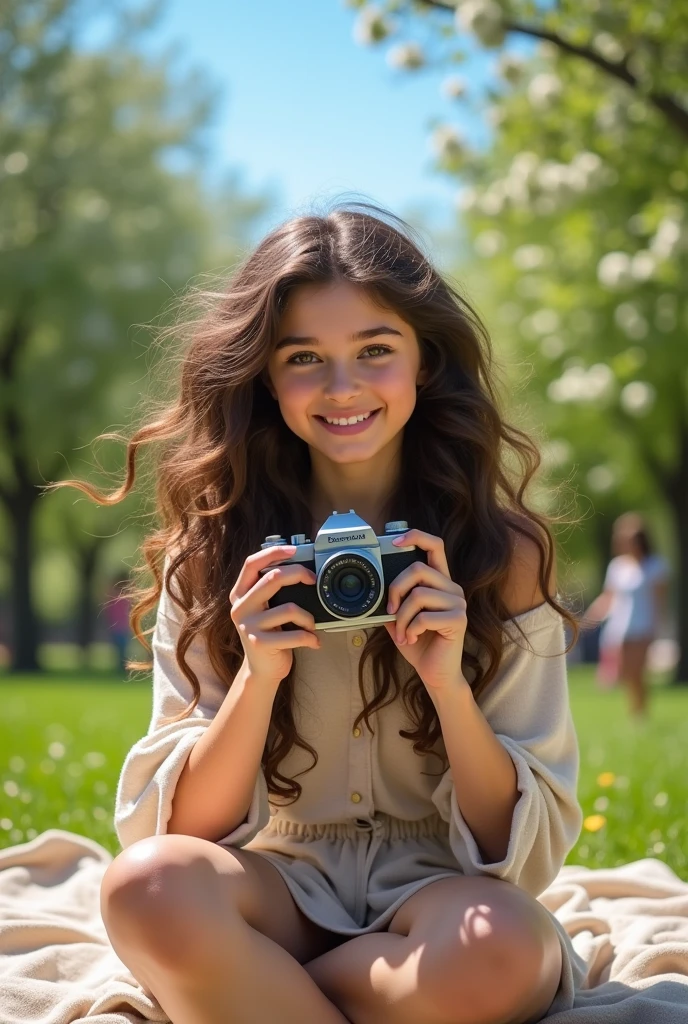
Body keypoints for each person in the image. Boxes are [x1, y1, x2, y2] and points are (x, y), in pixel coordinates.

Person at [54, 203, 585, 1024]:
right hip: (277, 887)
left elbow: (518, 859)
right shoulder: (218, 554)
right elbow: (181, 832)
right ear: (266, 376)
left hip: (439, 895)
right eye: (305, 358)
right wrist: (258, 677)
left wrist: (447, 685)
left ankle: (261, 998)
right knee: (146, 887)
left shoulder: (500, 554)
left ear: (425, 361)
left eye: (376, 350)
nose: (343, 389)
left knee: (509, 947)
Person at [582, 512, 670, 718]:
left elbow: (659, 603)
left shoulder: (655, 566)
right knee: (626, 674)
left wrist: (657, 631)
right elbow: (608, 598)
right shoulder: (617, 567)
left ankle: (640, 713)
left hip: (643, 626)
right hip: (621, 628)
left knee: (637, 671)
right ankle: (636, 712)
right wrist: (588, 617)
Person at [104, 573, 132, 673]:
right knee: (120, 648)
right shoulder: (119, 596)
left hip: (122, 626)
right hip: (119, 626)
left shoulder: (124, 596)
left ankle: (122, 667)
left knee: (121, 649)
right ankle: (121, 667)